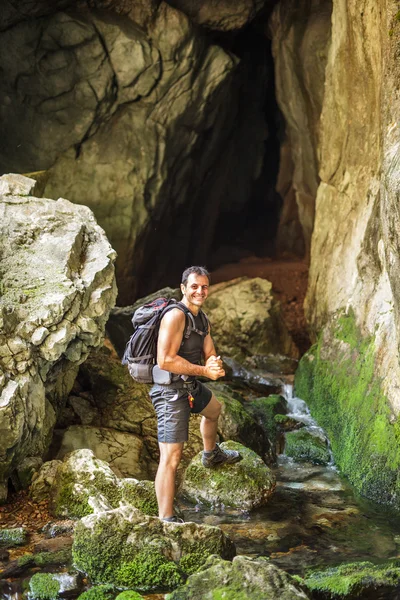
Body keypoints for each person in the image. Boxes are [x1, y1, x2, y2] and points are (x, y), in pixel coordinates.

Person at [149, 266, 241, 523]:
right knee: (171, 456)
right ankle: (166, 518)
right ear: (183, 289)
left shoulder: (202, 319)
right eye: (194, 287)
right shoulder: (175, 316)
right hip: (169, 390)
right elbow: (165, 360)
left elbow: (208, 349)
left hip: (189, 385)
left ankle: (211, 455)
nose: (200, 291)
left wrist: (214, 363)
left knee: (214, 410)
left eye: (204, 287)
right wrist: (204, 370)